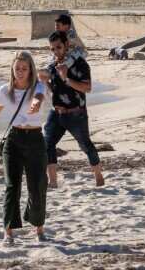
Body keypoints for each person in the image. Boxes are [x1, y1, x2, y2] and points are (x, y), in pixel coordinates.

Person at [0, 51, 48, 245]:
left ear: (31, 69)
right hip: (13, 141)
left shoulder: (38, 86)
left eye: (24, 69)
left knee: (37, 186)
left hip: (35, 140)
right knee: (11, 187)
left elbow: (38, 98)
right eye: (17, 69)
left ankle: (38, 229)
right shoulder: (5, 90)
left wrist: (35, 104)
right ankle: (8, 232)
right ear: (12, 70)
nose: (20, 72)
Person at [40, 30, 105, 188]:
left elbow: (87, 88)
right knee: (47, 144)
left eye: (59, 47)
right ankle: (53, 181)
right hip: (56, 113)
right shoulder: (53, 65)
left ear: (67, 45)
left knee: (86, 146)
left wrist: (66, 79)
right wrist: (45, 81)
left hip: (76, 114)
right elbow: (52, 89)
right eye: (52, 49)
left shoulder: (80, 64)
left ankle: (98, 176)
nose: (56, 52)